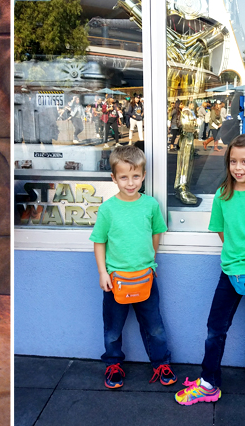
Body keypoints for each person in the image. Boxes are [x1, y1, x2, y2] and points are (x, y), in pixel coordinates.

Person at [175, 134, 245, 405]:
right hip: (229, 273)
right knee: (216, 327)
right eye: (234, 161)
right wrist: (238, 257)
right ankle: (209, 383)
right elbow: (222, 232)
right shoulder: (221, 197)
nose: (239, 167)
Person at [90, 145, 177, 389]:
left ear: (144, 175)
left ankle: (161, 362)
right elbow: (99, 242)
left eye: (135, 176)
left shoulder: (150, 206)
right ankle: (113, 364)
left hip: (146, 278)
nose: (130, 183)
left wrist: (151, 262)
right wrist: (102, 273)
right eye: (124, 177)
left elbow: (156, 235)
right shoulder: (108, 209)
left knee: (154, 326)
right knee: (113, 330)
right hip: (115, 280)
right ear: (114, 178)